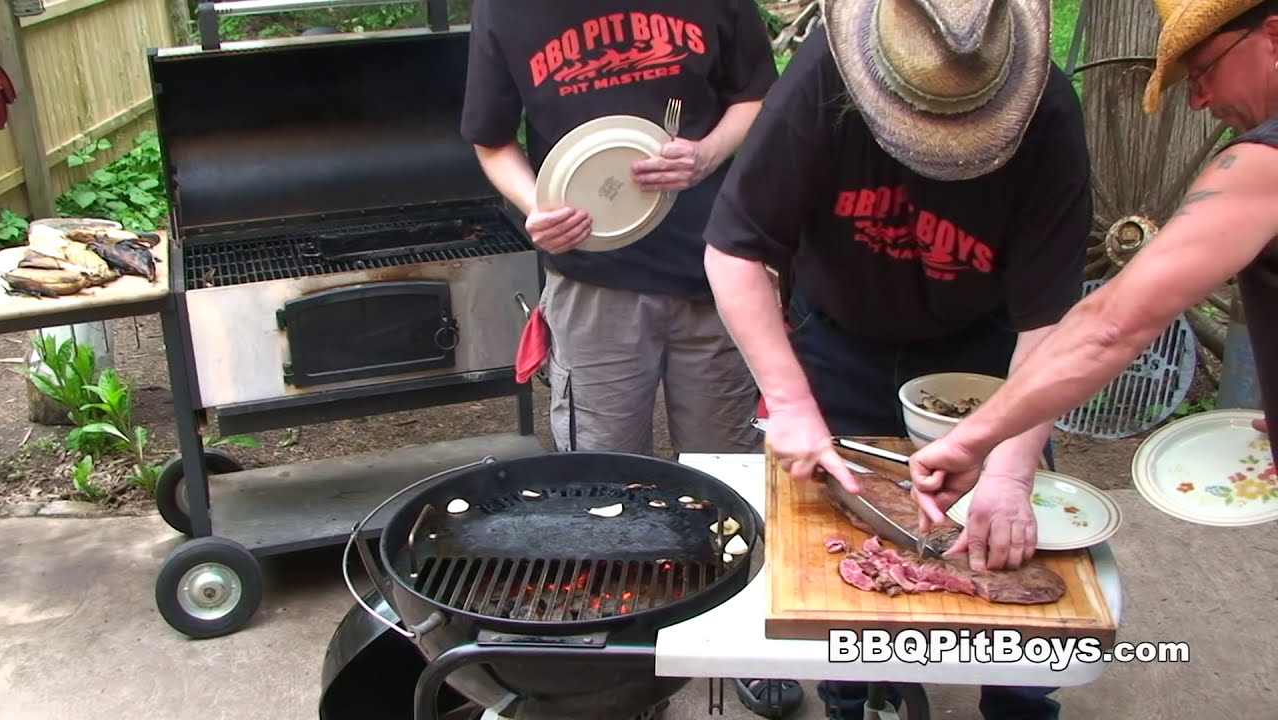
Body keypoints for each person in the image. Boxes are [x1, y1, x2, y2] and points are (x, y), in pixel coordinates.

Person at [701, 0, 1092, 718]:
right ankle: (852, 698)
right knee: (834, 553)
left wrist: (1009, 470)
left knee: (1012, 542)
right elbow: (735, 250)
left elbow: (1052, 326)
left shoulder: (1050, 113)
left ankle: (1021, 703)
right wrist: (789, 405)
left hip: (983, 358)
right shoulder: (823, 76)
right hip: (837, 339)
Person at [907, 0, 1278, 529]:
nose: (1199, 99)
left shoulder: (1262, 164)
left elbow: (1112, 324)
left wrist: (971, 439)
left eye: (1202, 70)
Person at [459, 0, 777, 459]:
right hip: (593, 279)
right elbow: (491, 140)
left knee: (727, 467)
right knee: (604, 478)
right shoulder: (505, 8)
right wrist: (538, 207)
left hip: (716, 269)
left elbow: (756, 93)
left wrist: (707, 153)